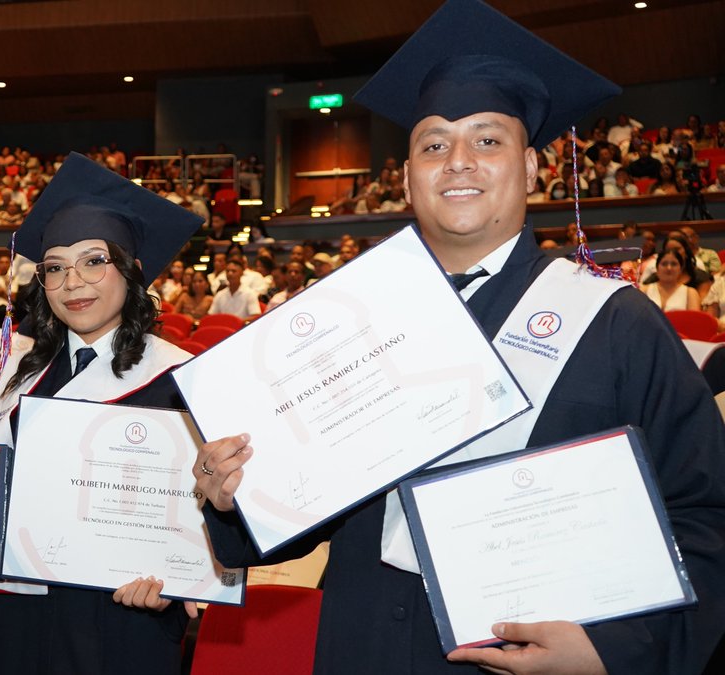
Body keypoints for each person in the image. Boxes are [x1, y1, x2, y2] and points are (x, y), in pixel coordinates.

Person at [193, 1, 725, 673]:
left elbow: (705, 516)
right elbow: (289, 519)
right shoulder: (349, 323)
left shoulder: (615, 324)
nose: (458, 161)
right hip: (362, 648)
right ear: (409, 175)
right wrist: (234, 495)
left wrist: (613, 649)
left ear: (532, 168)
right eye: (434, 144)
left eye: (487, 139)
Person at [0, 152, 204, 675]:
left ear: (133, 270)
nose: (73, 282)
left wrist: (174, 582)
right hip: (10, 612)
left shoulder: (180, 380)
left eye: (94, 261)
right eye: (54, 268)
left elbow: (201, 514)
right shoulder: (21, 376)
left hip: (114, 620)